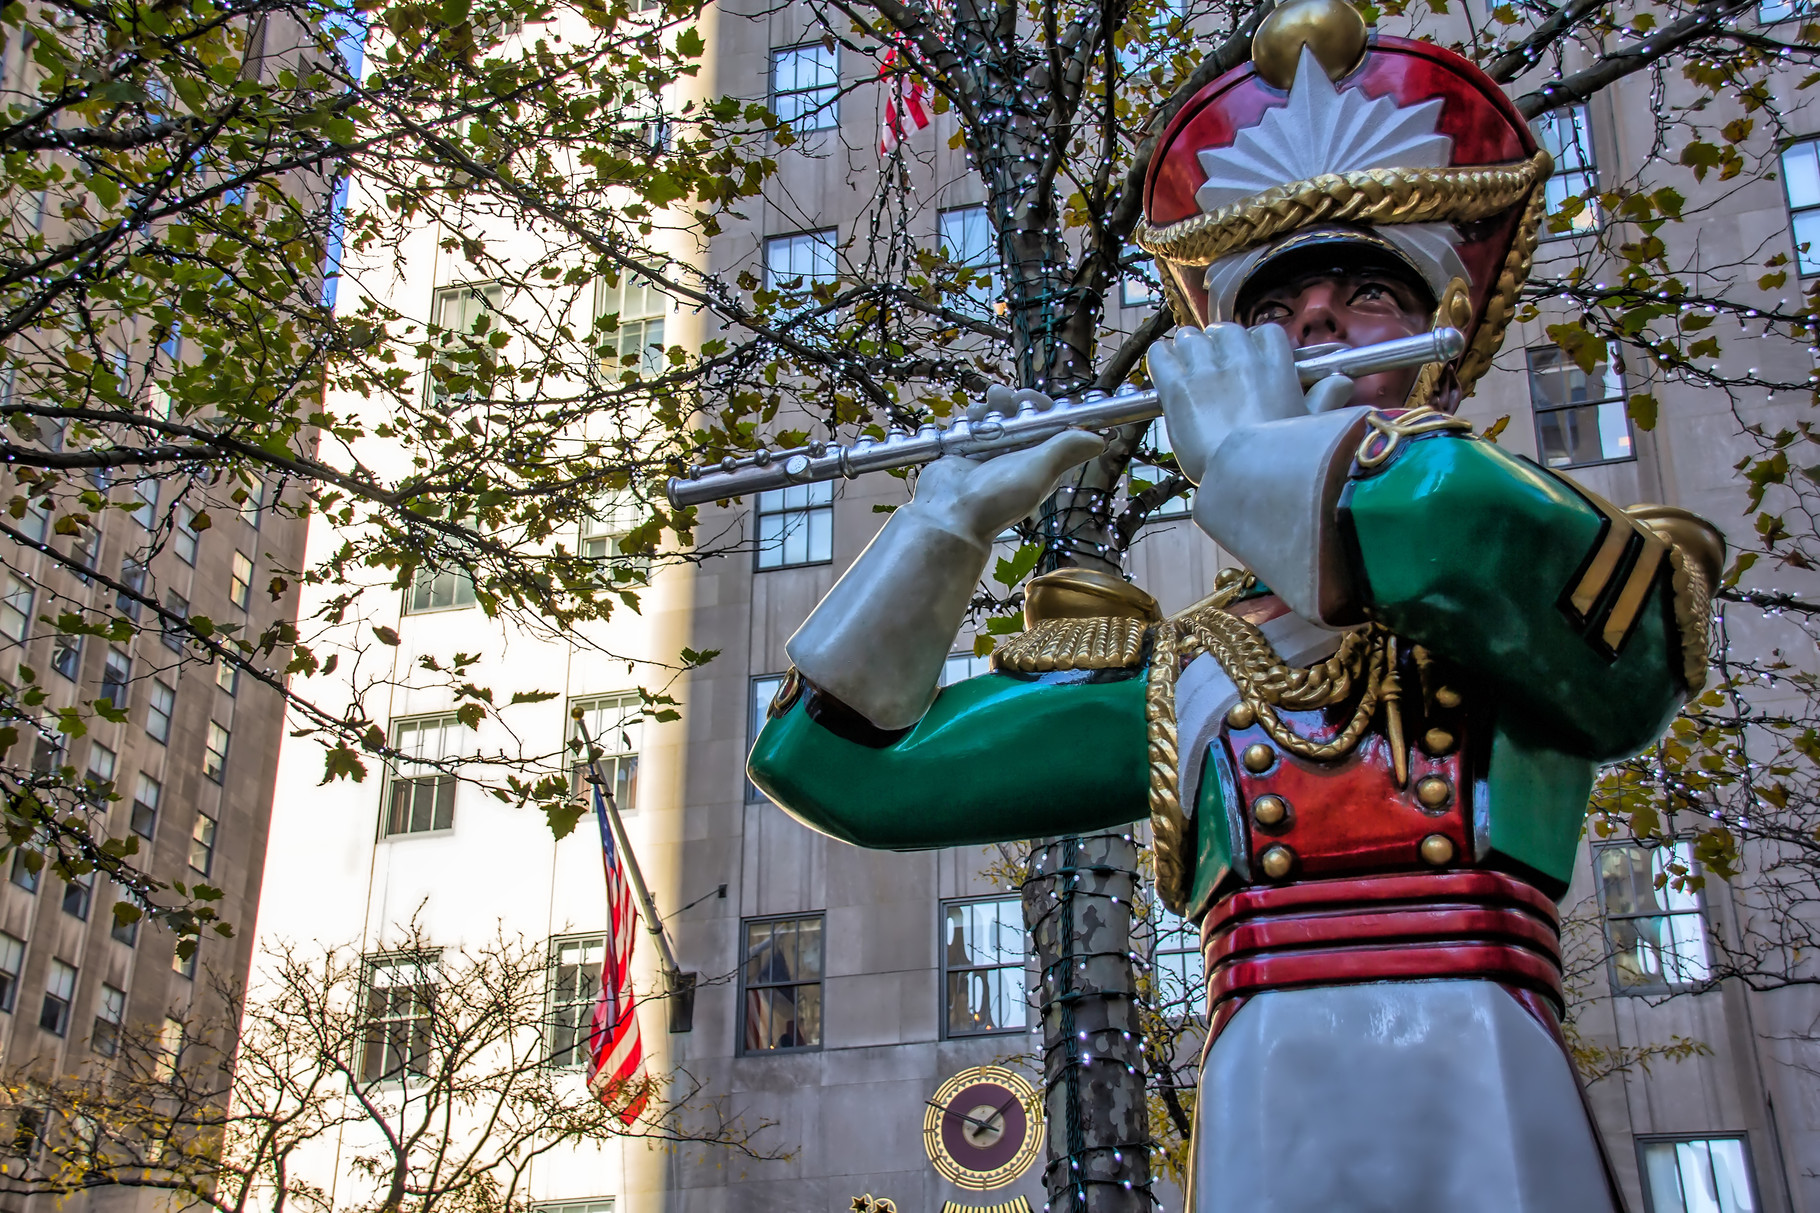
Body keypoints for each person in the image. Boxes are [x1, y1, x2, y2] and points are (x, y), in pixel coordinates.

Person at [748, 4, 1723, 1209]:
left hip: (1485, 1099)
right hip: (1270, 1117)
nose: (1310, 320)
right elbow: (835, 771)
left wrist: (1247, 457)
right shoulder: (1188, 673)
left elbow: (1489, 558)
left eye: (1366, 289)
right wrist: (943, 525)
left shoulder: (1525, 536)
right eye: (1268, 307)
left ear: (1440, 342)